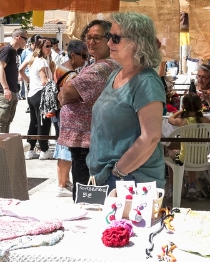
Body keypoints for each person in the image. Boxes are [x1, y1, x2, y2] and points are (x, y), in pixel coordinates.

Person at [87, 12, 167, 192]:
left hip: (130, 179)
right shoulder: (116, 74)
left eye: (115, 38)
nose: (109, 43)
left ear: (137, 42)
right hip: (108, 176)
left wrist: (118, 171)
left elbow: (151, 137)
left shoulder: (146, 81)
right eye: (109, 37)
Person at [59, 20, 119, 196]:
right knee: (85, 188)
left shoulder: (103, 67)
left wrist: (63, 94)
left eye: (97, 38)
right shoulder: (95, 64)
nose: (91, 42)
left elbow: (67, 92)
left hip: (88, 141)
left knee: (86, 193)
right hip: (85, 139)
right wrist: (63, 93)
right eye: (89, 38)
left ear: (109, 40)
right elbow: (63, 93)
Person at [51, 39, 89, 197]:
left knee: (64, 150)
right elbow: (74, 96)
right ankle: (65, 184)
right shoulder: (71, 75)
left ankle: (64, 182)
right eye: (84, 56)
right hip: (70, 116)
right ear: (73, 55)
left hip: (62, 112)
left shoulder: (60, 68)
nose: (86, 60)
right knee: (70, 153)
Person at [167, 92, 210, 200]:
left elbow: (170, 119)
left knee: (171, 154)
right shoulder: (204, 120)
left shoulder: (182, 121)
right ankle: (192, 186)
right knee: (192, 152)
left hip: (185, 159)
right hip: (202, 157)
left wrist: (181, 110)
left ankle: (172, 187)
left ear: (184, 106)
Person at [20, 38, 56, 159]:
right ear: (40, 47)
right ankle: (44, 150)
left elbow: (20, 69)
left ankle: (30, 149)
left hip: (32, 94)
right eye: (47, 46)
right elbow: (44, 80)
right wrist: (54, 86)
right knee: (43, 123)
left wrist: (29, 81)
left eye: (51, 46)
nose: (50, 48)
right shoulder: (42, 61)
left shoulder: (33, 59)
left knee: (34, 123)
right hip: (41, 94)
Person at [0, 29, 28, 133]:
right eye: (25, 39)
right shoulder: (7, 50)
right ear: (18, 37)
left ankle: (5, 145)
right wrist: (5, 88)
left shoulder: (14, 52)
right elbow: (0, 68)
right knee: (2, 121)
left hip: (12, 90)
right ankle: (0, 147)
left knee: (8, 120)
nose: (26, 42)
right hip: (5, 90)